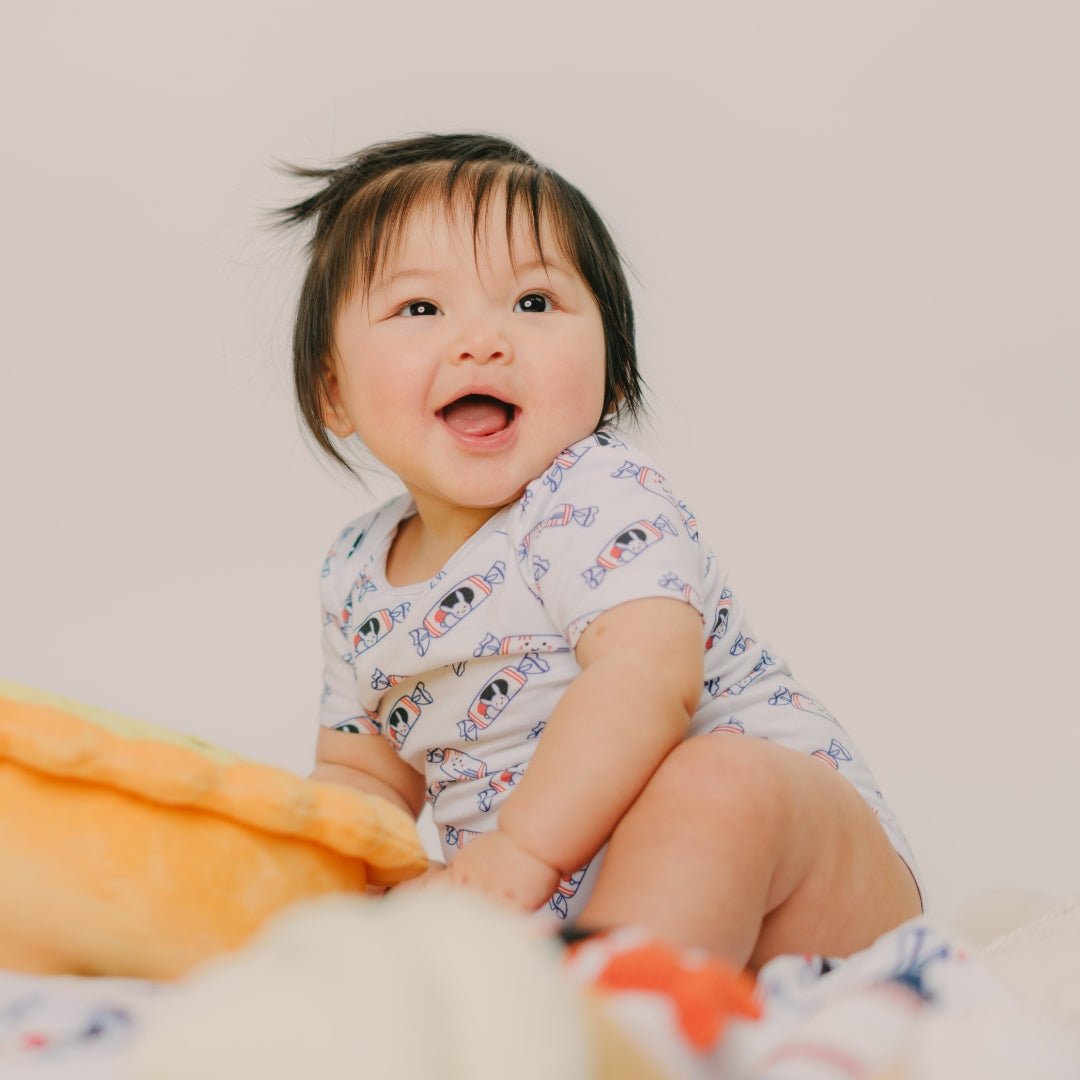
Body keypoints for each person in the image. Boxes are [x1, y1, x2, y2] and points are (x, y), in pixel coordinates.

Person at [280, 133, 922, 970]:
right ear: (333, 389)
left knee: (721, 783)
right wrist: (324, 872)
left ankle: (615, 1009)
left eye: (533, 302)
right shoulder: (355, 569)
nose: (482, 341)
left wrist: (522, 847)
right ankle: (587, 985)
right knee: (365, 897)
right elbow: (362, 778)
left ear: (614, 373)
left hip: (804, 887)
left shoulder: (594, 496)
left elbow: (646, 679)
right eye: (422, 309)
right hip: (565, 912)